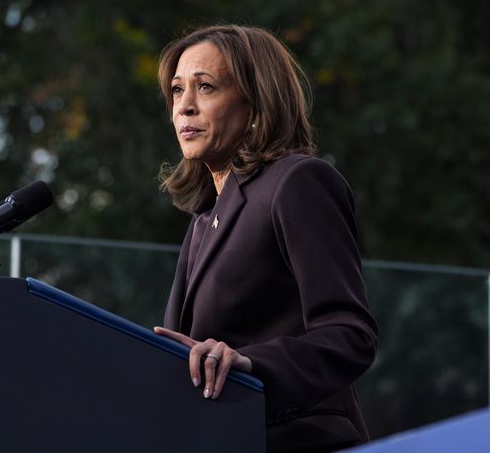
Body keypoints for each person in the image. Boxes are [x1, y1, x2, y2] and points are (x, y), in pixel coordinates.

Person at [152, 24, 379, 452]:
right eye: (177, 91)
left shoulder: (298, 182)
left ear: (256, 102)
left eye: (206, 87)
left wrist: (252, 364)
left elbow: (350, 334)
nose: (185, 107)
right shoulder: (202, 219)